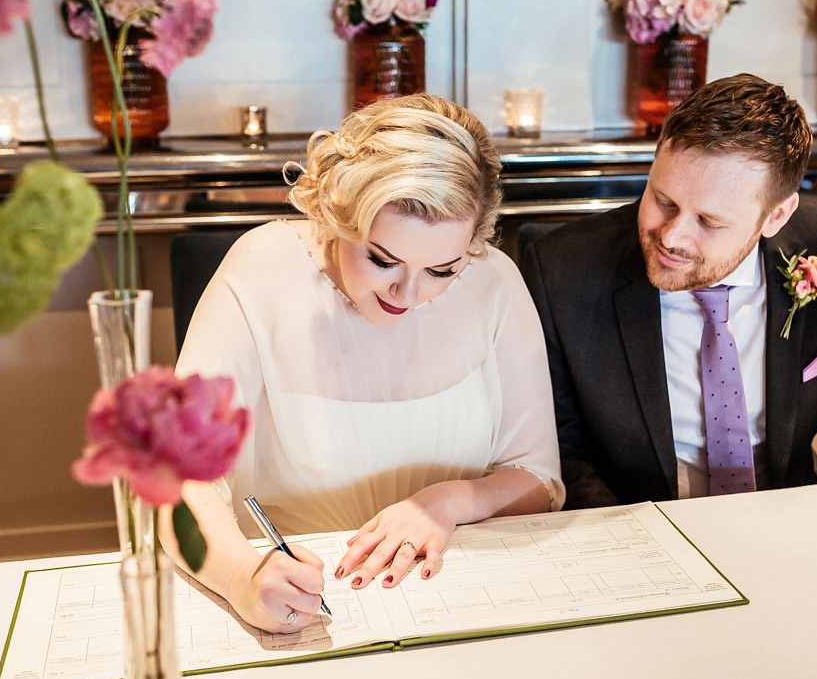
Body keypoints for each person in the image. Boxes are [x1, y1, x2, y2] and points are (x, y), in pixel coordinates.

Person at [170, 93, 563, 633]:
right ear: (338, 212)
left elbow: (539, 479)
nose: (408, 292)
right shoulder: (260, 271)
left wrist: (445, 503)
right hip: (303, 599)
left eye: (442, 271)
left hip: (463, 597)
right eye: (382, 260)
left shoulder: (494, 281)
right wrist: (242, 575)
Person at [520, 73, 817, 508]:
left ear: (776, 216)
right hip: (631, 517)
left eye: (709, 222)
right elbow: (563, 450)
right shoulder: (562, 268)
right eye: (663, 200)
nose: (672, 236)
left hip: (787, 511)